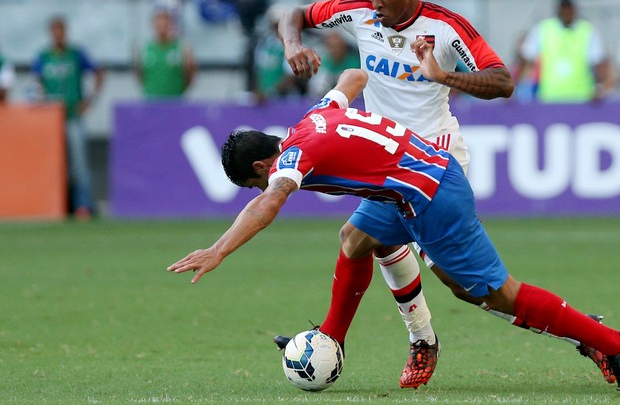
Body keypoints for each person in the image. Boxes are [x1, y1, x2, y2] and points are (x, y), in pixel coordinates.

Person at [276, 0, 613, 388]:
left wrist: (442, 76)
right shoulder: (357, 11)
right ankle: (369, 340)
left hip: (433, 164)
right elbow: (293, 13)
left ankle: (592, 336)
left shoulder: (447, 28)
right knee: (358, 239)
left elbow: (503, 81)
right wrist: (294, 43)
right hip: (388, 165)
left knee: (476, 290)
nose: (375, 2)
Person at [167, 68, 620, 392]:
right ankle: (331, 341)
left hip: (432, 195)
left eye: (255, 181)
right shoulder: (312, 118)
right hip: (410, 185)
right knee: (355, 238)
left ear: (262, 165)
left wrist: (219, 250)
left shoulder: (290, 161)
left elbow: (269, 204)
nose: (261, 187)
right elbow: (352, 79)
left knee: (492, 293)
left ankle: (606, 341)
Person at [32, 15, 104, 220]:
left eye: (61, 30)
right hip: (51, 119)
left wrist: (89, 100)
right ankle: (58, 205)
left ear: (65, 32)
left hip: (72, 115)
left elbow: (98, 73)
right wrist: (41, 101)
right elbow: (36, 83)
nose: (58, 35)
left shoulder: (76, 54)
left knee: (79, 164)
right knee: (52, 164)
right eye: (54, 31)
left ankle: (83, 205)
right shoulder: (43, 57)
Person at [516, 0, 615, 103]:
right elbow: (525, 59)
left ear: (574, 10)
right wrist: (516, 88)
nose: (566, 12)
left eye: (569, 9)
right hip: (550, 98)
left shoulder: (588, 31)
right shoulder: (542, 29)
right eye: (564, 9)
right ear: (558, 9)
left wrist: (599, 88)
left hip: (582, 98)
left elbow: (599, 63)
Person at [136, 9, 196, 99]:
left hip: (175, 100)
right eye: (159, 23)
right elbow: (140, 75)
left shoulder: (182, 48)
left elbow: (189, 74)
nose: (162, 27)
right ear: (153, 25)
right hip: (151, 101)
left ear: (171, 25)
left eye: (166, 23)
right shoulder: (144, 49)